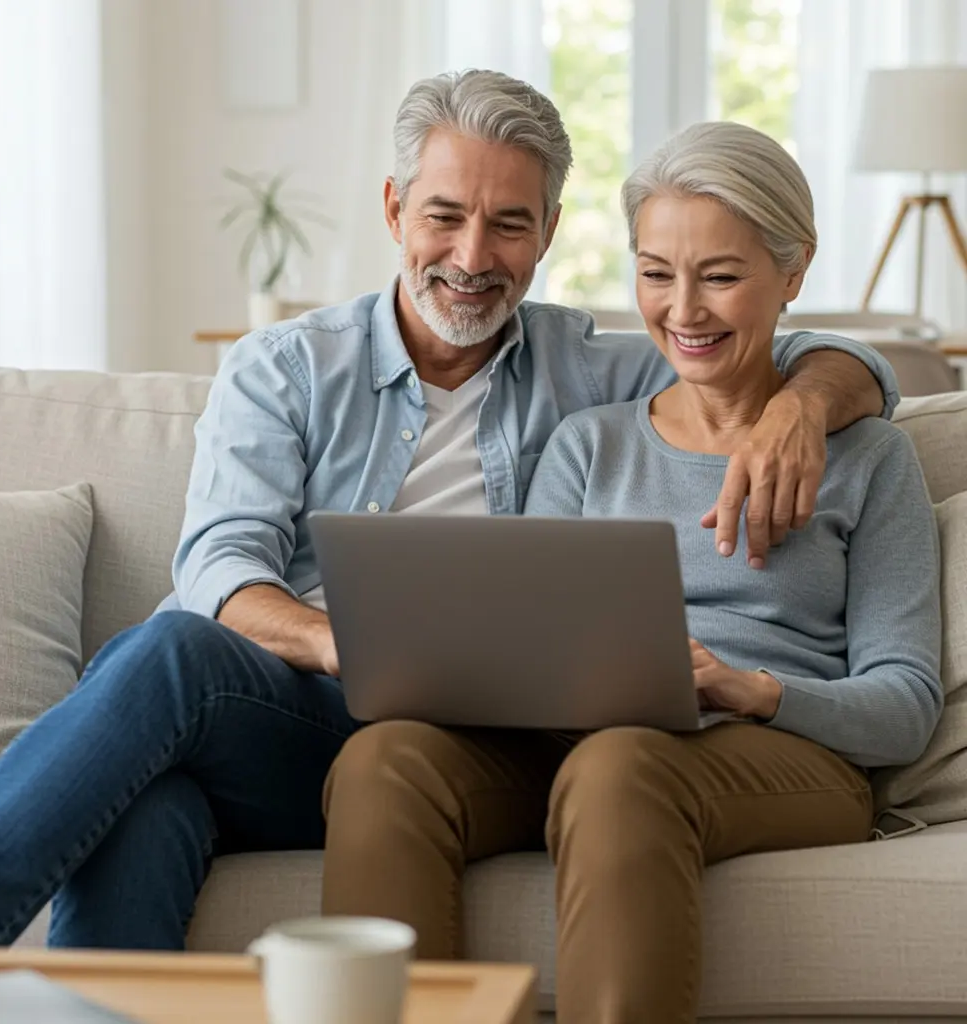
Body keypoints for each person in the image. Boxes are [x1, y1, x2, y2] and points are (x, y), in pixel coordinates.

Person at [0, 73, 896, 953]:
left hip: (444, 745)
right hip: (286, 705)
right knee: (163, 693)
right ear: (396, 209)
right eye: (444, 215)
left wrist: (803, 410)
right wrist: (339, 643)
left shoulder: (599, 369)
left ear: (550, 232)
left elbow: (794, 347)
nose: (472, 258)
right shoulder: (285, 367)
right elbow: (222, 568)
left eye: (509, 225)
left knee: (157, 759)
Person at [318, 120, 942, 1023]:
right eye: (656, 273)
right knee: (385, 760)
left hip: (780, 754)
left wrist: (746, 688)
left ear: (794, 271)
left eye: (720, 276)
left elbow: (905, 704)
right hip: (581, 748)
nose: (682, 311)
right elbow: (522, 641)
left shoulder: (869, 459)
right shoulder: (588, 446)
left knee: (619, 767)